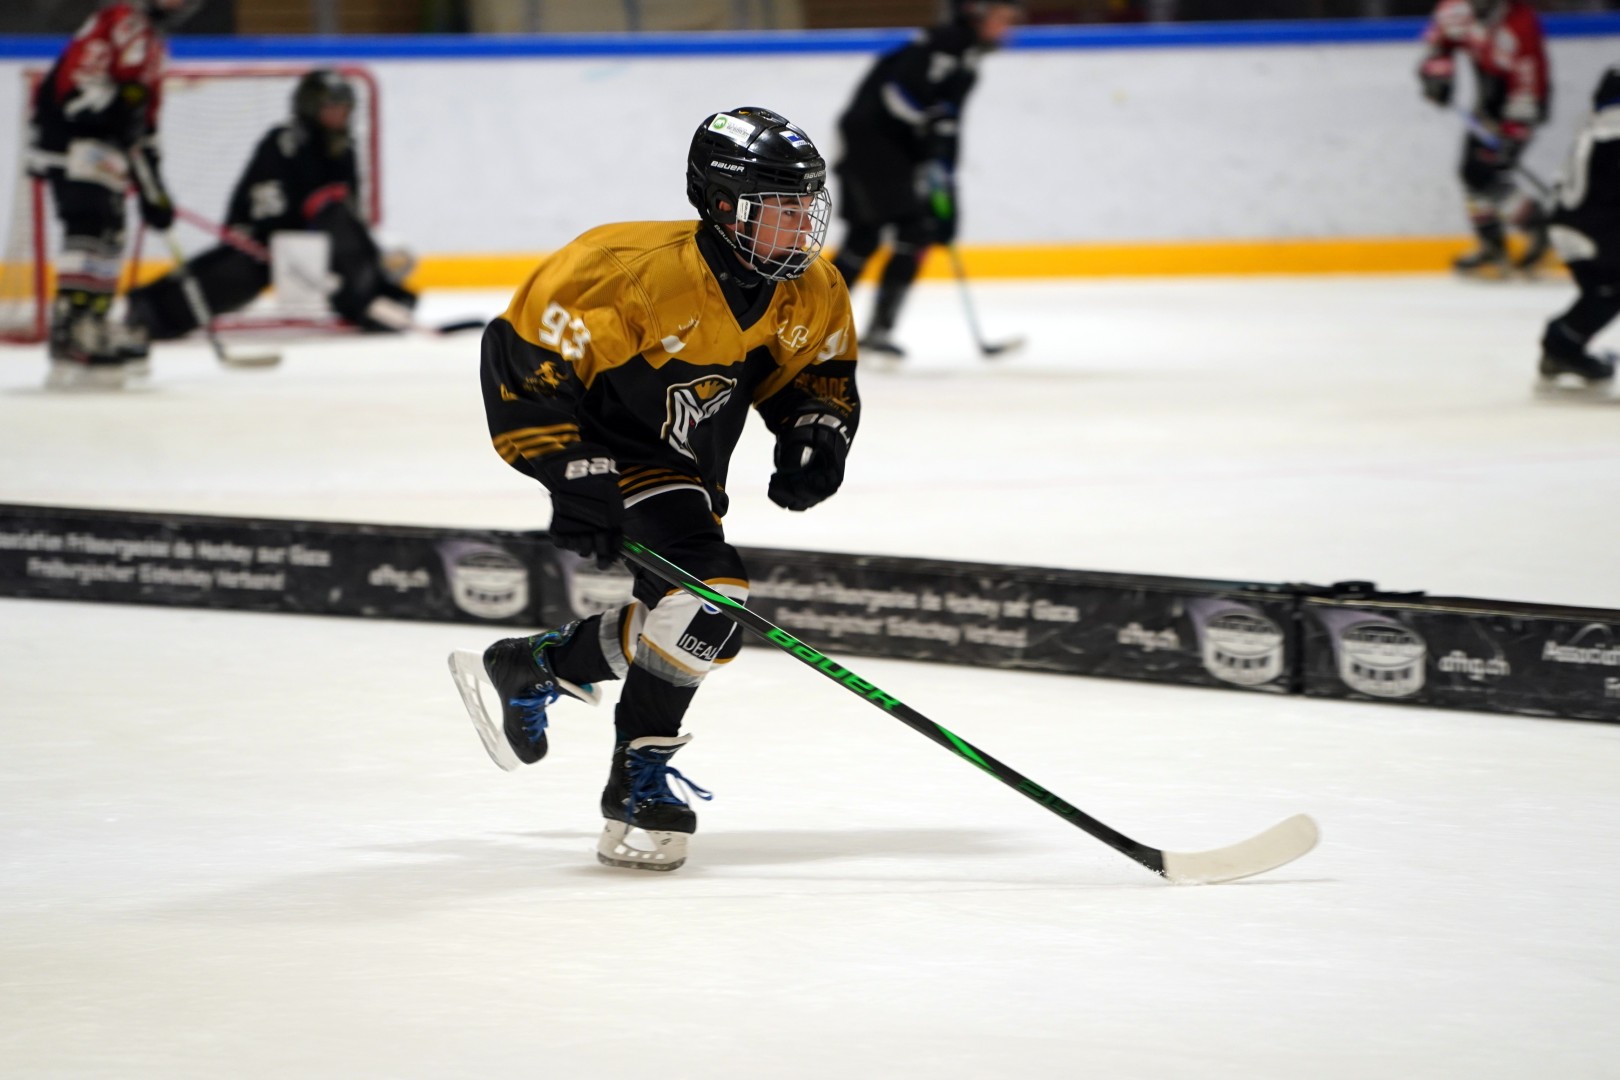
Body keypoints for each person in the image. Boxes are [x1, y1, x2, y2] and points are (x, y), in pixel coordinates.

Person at [450, 107, 859, 873]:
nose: (801, 226)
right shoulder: (627, 271)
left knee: (707, 624)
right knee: (713, 595)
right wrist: (569, 469)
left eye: (806, 206)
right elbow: (522, 360)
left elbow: (816, 373)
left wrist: (816, 429)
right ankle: (637, 780)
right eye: (779, 208)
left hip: (684, 469)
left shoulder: (811, 288)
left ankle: (542, 663)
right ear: (722, 205)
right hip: (610, 454)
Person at [122, 68, 418, 365]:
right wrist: (281, 239)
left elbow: (347, 213)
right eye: (332, 109)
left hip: (316, 247)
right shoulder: (282, 143)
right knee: (238, 273)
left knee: (340, 221)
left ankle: (376, 301)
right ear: (310, 107)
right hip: (267, 244)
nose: (340, 116)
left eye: (345, 110)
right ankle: (152, 311)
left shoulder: (345, 148)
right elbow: (261, 207)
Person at [828, 0, 1021, 357]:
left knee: (892, 234)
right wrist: (931, 126)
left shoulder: (965, 57)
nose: (1007, 29)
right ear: (976, 13)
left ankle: (855, 330)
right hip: (869, 147)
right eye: (1001, 19)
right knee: (882, 234)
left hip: (888, 150)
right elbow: (897, 95)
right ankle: (821, 328)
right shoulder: (945, 44)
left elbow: (945, 126)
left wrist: (945, 179)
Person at [28, 0, 202, 390]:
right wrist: (116, 111)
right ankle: (71, 326)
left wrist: (154, 186)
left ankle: (94, 320)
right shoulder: (122, 19)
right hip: (69, 138)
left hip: (103, 147)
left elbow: (144, 118)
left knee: (111, 228)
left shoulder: (153, 45)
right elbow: (78, 88)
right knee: (88, 222)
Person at [1417, 0, 1551, 276]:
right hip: (1487, 100)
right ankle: (1501, 242)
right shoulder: (1455, 10)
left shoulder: (1520, 23)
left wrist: (1515, 131)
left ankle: (1533, 226)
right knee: (1472, 173)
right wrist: (1437, 75)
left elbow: (1531, 80)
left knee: (1480, 173)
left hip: (1520, 103)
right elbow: (1438, 45)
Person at [1537, 67, 1620, 391]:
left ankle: (1562, 348)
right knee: (1608, 290)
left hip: (1567, 225)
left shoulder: (1593, 125)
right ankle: (1561, 346)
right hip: (1597, 227)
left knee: (1605, 293)